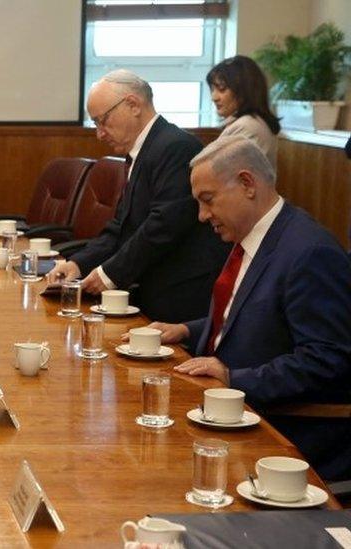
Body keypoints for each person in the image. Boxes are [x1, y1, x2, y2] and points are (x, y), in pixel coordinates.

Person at [141, 135, 351, 481]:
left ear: (247, 184)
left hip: (278, 432)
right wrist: (187, 330)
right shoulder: (254, 236)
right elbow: (251, 317)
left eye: (207, 201)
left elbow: (325, 360)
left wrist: (232, 378)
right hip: (224, 411)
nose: (201, 215)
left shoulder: (309, 252)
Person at [47, 70, 229, 322]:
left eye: (102, 120)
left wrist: (108, 274)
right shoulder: (146, 149)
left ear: (133, 104)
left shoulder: (175, 146)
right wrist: (77, 264)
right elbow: (121, 227)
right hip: (152, 284)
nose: (100, 133)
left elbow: (163, 226)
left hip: (179, 295)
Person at [206, 55, 281, 165]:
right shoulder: (248, 122)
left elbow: (217, 172)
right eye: (212, 89)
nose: (214, 97)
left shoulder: (246, 126)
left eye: (221, 89)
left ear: (243, 90)